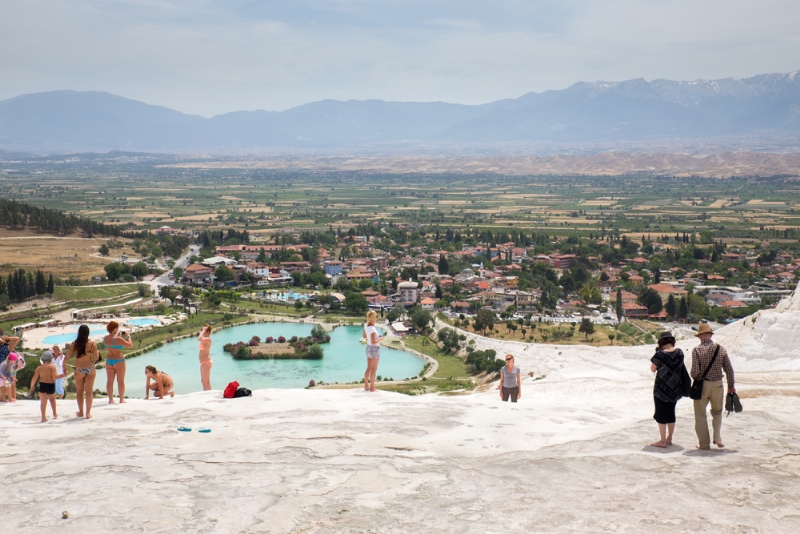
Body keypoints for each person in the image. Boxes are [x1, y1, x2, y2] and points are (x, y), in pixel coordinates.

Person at [691, 324, 735, 449]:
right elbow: (729, 370)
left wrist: (697, 377)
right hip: (718, 385)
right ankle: (717, 438)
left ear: (700, 336)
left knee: (700, 414)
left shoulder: (697, 350)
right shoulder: (721, 349)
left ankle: (704, 444)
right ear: (710, 335)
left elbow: (694, 372)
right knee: (717, 412)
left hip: (703, 385)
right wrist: (731, 386)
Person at [649, 331, 686, 448]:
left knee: (661, 415)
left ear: (661, 342)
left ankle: (662, 440)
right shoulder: (679, 353)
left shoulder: (660, 355)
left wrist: (658, 353)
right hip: (675, 388)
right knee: (671, 413)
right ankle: (670, 438)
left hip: (661, 389)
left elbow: (652, 369)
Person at [66, 325, 100, 419]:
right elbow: (96, 358)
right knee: (89, 392)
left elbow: (67, 357)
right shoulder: (92, 343)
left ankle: (81, 412)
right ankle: (88, 413)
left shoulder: (74, 344)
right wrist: (97, 353)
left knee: (79, 392)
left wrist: (64, 367)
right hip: (90, 368)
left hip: (79, 370)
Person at [29, 351, 66, 422]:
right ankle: (55, 414)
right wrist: (63, 375)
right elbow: (56, 376)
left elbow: (34, 378)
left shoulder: (39, 368)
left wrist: (32, 386)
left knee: (43, 402)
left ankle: (43, 417)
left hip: (42, 385)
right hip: (50, 385)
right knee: (52, 400)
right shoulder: (52, 367)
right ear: (51, 359)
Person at [103, 321, 133, 404]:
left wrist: (118, 336)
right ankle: (121, 399)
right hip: (119, 360)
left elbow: (112, 344)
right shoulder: (118, 339)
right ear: (115, 328)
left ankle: (110, 399)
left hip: (109, 361)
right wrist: (128, 336)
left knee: (109, 381)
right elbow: (130, 345)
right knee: (120, 381)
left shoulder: (105, 338)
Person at [362, 311, 383, 392]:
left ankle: (366, 385)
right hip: (374, 349)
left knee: (369, 368)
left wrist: (369, 339)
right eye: (376, 317)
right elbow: (374, 341)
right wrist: (380, 338)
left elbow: (364, 336)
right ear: (373, 318)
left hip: (368, 347)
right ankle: (372, 388)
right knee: (374, 369)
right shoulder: (373, 329)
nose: (376, 318)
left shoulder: (366, 326)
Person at [197, 324, 213, 391]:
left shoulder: (208, 339)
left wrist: (203, 330)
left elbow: (199, 338)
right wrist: (203, 330)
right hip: (203, 363)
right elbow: (200, 339)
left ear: (208, 332)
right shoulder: (204, 340)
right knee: (203, 381)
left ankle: (209, 395)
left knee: (206, 382)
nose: (203, 332)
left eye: (206, 331)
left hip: (206, 362)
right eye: (203, 330)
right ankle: (205, 394)